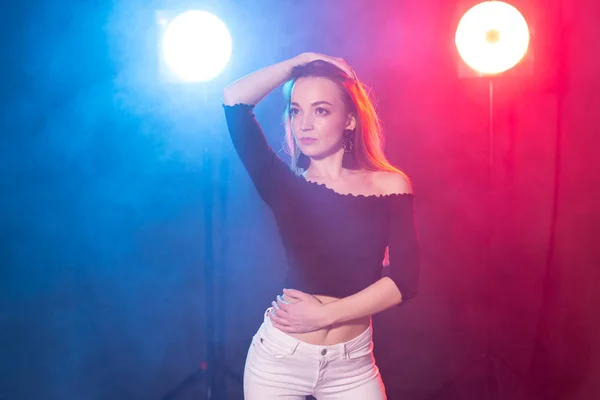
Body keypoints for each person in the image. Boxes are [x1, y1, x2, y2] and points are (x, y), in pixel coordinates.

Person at [222, 52, 420, 399]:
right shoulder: (282, 184)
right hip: (280, 362)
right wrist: (299, 63)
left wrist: (323, 316)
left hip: (353, 366)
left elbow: (405, 281)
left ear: (350, 120)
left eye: (321, 110)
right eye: (296, 110)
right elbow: (234, 100)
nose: (304, 124)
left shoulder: (391, 185)